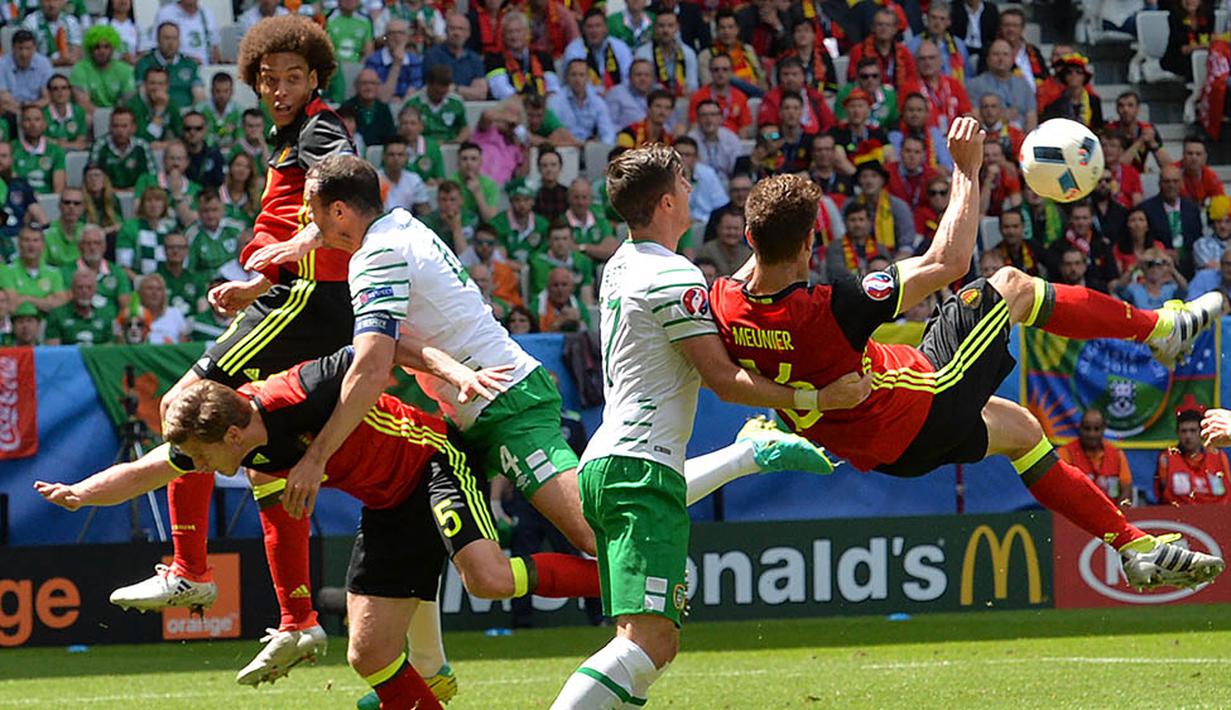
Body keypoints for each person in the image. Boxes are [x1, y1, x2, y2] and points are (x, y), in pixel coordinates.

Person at [710, 119, 1227, 600]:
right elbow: (949, 261)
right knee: (1012, 286)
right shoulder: (832, 308)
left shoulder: (722, 304)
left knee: (1022, 430)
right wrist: (966, 167)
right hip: (926, 400)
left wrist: (810, 399)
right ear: (809, 241)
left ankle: (1132, 545)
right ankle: (1160, 329)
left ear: (750, 235)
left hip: (887, 450)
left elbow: (727, 381)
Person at [35, 345, 602, 710]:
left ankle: (614, 579)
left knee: (488, 578)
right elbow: (143, 473)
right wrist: (81, 494)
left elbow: (383, 348)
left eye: (202, 457)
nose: (199, 468)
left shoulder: (294, 390)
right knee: (369, 654)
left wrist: (448, 368)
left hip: (433, 461)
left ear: (230, 436)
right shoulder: (224, 439)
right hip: (385, 507)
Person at [547, 143, 859, 710]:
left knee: (648, 644)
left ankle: (747, 456)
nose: (694, 188)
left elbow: (712, 303)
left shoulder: (624, 262)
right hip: (639, 469)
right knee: (648, 643)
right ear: (668, 201)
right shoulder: (672, 275)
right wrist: (817, 395)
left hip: (618, 463)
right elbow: (723, 379)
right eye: (686, 181)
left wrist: (757, 258)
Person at [102, 16, 359, 690]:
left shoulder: (319, 130)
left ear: (316, 78)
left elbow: (349, 187)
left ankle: (189, 570)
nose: (278, 89)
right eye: (268, 79)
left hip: (305, 301)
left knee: (183, 406)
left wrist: (268, 271)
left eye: (292, 78)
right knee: (262, 455)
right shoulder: (289, 132)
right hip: (301, 301)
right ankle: (299, 617)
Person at [1159, 399, 1230, 504]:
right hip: (1180, 515)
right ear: (1177, 433)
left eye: (1192, 430)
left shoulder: (1218, 456)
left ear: (1201, 432)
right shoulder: (1167, 457)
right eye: (1184, 431)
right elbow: (1163, 495)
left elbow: (1228, 489)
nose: (1188, 436)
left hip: (1217, 513)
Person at [1058, 408, 1133, 504]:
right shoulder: (1066, 453)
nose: (1091, 434)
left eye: (1096, 429)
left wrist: (1119, 513)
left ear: (1103, 429)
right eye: (1087, 429)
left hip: (1110, 514)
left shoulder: (1117, 454)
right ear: (1080, 428)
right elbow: (1059, 492)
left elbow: (1127, 492)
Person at [965, 39, 1037, 131]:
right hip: (988, 139)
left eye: (1005, 54)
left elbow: (1031, 117)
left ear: (1012, 59)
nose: (1001, 59)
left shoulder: (1024, 85)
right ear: (988, 59)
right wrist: (1001, 116)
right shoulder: (974, 85)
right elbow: (973, 117)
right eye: (996, 54)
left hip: (1020, 138)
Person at [486, 11, 560, 100]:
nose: (514, 36)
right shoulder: (494, 58)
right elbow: (501, 91)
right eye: (510, 32)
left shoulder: (543, 57)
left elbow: (554, 89)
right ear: (503, 35)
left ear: (528, 34)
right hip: (510, 108)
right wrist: (528, 103)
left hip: (542, 108)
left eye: (518, 31)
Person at [1141, 165, 1203, 268]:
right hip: (1158, 265)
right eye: (1167, 181)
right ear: (1159, 184)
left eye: (1175, 181)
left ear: (1181, 183)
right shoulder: (1146, 209)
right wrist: (1162, 252)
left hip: (1189, 265)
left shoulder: (1192, 208)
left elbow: (1198, 239)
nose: (1171, 185)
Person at [134, 22, 203, 110]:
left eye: (175, 38)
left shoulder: (189, 64)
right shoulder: (144, 63)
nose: (171, 43)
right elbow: (142, 94)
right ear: (158, 40)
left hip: (185, 112)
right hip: (155, 111)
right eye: (167, 38)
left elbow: (199, 95)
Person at [760, 56, 835, 138]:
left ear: (803, 77)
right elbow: (765, 132)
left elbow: (829, 124)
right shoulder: (771, 98)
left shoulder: (814, 96)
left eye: (794, 74)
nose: (790, 78)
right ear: (780, 77)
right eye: (786, 74)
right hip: (782, 142)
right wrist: (778, 137)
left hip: (814, 144)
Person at [69, 24, 135, 114]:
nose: (102, 51)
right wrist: (103, 117)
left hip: (118, 116)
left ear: (113, 49)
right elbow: (83, 103)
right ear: (90, 50)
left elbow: (129, 101)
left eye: (106, 47)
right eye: (97, 47)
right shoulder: (80, 68)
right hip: (91, 115)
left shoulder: (124, 69)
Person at [1, 226, 69, 314]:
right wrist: (46, 300)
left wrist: (26, 298)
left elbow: (61, 304)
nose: (31, 245)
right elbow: (12, 305)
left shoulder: (54, 273)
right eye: (26, 240)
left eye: (35, 240)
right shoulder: (5, 270)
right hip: (18, 322)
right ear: (19, 244)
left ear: (43, 245)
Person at [563, 8, 632, 92]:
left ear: (606, 28)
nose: (594, 31)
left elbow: (628, 78)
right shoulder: (573, 49)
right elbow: (574, 81)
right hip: (585, 97)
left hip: (617, 96)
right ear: (583, 29)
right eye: (590, 27)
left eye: (598, 26)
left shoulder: (620, 47)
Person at [697, 9, 765, 94]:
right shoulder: (706, 55)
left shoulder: (748, 50)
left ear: (737, 30)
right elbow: (707, 85)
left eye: (730, 27)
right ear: (716, 31)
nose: (727, 32)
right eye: (722, 28)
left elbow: (761, 79)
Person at [423, 12, 487, 101]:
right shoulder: (433, 56)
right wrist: (469, 91)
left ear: (468, 33)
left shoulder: (475, 59)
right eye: (452, 28)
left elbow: (481, 94)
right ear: (445, 31)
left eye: (461, 29)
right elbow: (437, 90)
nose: (456, 33)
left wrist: (456, 89)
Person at [632, 11, 697, 98]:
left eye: (670, 26)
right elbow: (641, 85)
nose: (666, 30)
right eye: (661, 26)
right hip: (651, 100)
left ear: (677, 28)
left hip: (682, 100)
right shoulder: (643, 53)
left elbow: (693, 86)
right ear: (655, 28)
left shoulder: (688, 53)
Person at [88, 107, 155, 190]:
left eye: (124, 126)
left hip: (137, 195)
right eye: (115, 126)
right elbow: (91, 178)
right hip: (107, 195)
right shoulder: (99, 145)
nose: (119, 130)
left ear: (133, 128)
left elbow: (152, 176)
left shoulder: (142, 146)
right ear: (110, 127)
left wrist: (137, 189)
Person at [848, 7, 917, 88]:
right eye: (880, 24)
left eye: (888, 25)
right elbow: (853, 79)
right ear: (873, 27)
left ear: (895, 29)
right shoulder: (858, 51)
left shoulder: (904, 52)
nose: (884, 29)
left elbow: (912, 79)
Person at [44, 268, 117, 345]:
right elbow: (53, 351)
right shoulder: (57, 315)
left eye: (89, 287)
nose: (84, 291)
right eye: (80, 287)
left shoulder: (105, 315)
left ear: (95, 290)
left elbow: (109, 349)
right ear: (72, 290)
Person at [529, 218, 594, 304]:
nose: (561, 243)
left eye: (565, 239)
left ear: (571, 240)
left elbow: (586, 295)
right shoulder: (538, 263)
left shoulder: (582, 261)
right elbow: (543, 295)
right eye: (556, 239)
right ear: (549, 241)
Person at [825, 201, 892, 282]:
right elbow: (837, 274)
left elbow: (888, 274)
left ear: (869, 222)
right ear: (845, 222)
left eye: (861, 220)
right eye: (852, 220)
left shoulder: (880, 248)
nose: (857, 224)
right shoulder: (835, 247)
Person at [403, 64, 470, 144]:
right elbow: (403, 130)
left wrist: (456, 141)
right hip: (422, 147)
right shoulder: (412, 103)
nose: (441, 95)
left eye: (444, 92)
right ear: (428, 84)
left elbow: (464, 128)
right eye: (437, 92)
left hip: (450, 145)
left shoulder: (456, 102)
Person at [1110, 90, 1171, 174]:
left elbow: (1169, 166)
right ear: (1117, 109)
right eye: (1121, 106)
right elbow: (1119, 167)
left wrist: (1153, 144)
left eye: (1130, 105)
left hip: (1140, 177)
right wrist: (1140, 141)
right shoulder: (1110, 130)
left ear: (1138, 109)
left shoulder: (1147, 129)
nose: (1125, 109)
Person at [908, 1, 969, 82]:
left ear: (949, 22)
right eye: (933, 17)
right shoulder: (914, 45)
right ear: (927, 19)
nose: (937, 22)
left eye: (942, 19)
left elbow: (968, 76)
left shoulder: (959, 45)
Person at [366, 18, 422, 104]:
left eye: (401, 33)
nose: (397, 37)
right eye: (392, 33)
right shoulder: (373, 61)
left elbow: (415, 90)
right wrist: (397, 64)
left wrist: (403, 103)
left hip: (407, 106)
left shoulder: (415, 61)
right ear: (386, 37)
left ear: (407, 37)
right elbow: (383, 97)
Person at [13, 103, 65, 196]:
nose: (33, 124)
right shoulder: (11, 149)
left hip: (47, 201)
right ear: (21, 124)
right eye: (27, 120)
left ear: (45, 124)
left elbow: (58, 189)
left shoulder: (56, 151)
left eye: (37, 119)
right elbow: (14, 183)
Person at [130, 66, 185, 150]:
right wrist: (159, 113)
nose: (156, 88)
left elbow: (182, 133)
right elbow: (142, 140)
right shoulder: (133, 105)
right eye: (152, 83)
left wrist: (167, 144)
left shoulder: (171, 104)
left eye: (161, 84)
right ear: (145, 84)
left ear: (167, 86)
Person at [151, 0, 221, 66]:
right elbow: (157, 47)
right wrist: (186, 61)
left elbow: (215, 48)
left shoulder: (208, 15)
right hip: (177, 70)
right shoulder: (165, 14)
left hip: (206, 69)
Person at [687, 99, 742, 181]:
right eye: (704, 115)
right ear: (697, 118)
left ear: (721, 118)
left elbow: (738, 169)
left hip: (728, 185)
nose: (709, 119)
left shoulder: (731, 138)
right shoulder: (690, 139)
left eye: (713, 115)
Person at [493, 181, 548, 264]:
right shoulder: (497, 223)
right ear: (510, 201)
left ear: (533, 201)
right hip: (506, 268)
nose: (522, 204)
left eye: (526, 200)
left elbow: (544, 253)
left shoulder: (543, 225)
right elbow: (498, 257)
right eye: (517, 200)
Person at [1041, 53, 1103, 127]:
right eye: (1069, 72)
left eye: (1078, 72)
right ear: (1064, 77)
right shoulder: (1054, 105)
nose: (1074, 75)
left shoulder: (1094, 101)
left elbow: (1099, 127)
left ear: (1084, 77)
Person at [0, 31, 54, 113]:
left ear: (34, 48)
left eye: (28, 48)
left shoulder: (44, 63)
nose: (24, 54)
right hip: (10, 110)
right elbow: (3, 98)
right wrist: (23, 110)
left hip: (38, 109)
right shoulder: (2, 64)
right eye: (20, 48)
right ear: (13, 48)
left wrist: (30, 110)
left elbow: (47, 97)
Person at [1161, 0, 1213, 81]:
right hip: (1178, 57)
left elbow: (1209, 38)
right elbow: (1182, 47)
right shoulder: (1175, 16)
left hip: (1201, 54)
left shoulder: (1208, 15)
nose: (1191, 1)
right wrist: (1202, 46)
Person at [22, 0, 83, 68]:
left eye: (55, 0)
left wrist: (55, 61)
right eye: (47, 1)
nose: (52, 5)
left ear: (62, 2)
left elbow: (76, 54)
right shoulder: (30, 22)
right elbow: (27, 56)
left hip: (68, 69)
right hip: (39, 70)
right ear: (40, 2)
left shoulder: (71, 21)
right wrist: (58, 61)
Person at [1123, 247, 1187, 310]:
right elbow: (1118, 289)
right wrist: (1136, 265)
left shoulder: (1170, 289)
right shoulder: (1135, 289)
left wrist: (1172, 268)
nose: (1154, 269)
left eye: (1158, 265)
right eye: (1150, 265)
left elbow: (1185, 289)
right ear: (1143, 268)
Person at [605, 57, 658, 133]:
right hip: (625, 140)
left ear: (653, 78)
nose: (643, 79)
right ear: (629, 77)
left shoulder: (660, 93)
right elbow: (608, 125)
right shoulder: (616, 93)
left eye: (647, 75)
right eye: (638, 75)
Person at [43, 73, 88, 150]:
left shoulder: (79, 112)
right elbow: (44, 141)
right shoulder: (43, 114)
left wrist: (60, 144)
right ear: (49, 93)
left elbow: (81, 142)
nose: (60, 92)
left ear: (69, 91)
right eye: (55, 89)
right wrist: (69, 145)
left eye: (64, 88)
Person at [43, 188, 86, 267]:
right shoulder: (45, 233)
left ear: (83, 207)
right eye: (67, 202)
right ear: (59, 205)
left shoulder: (88, 234)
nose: (71, 206)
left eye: (77, 203)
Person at [1178, 138, 1225, 207]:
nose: (1194, 157)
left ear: (1205, 158)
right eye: (1190, 153)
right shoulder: (1173, 172)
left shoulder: (1211, 176)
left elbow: (1221, 204)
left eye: (1198, 154)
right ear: (1183, 156)